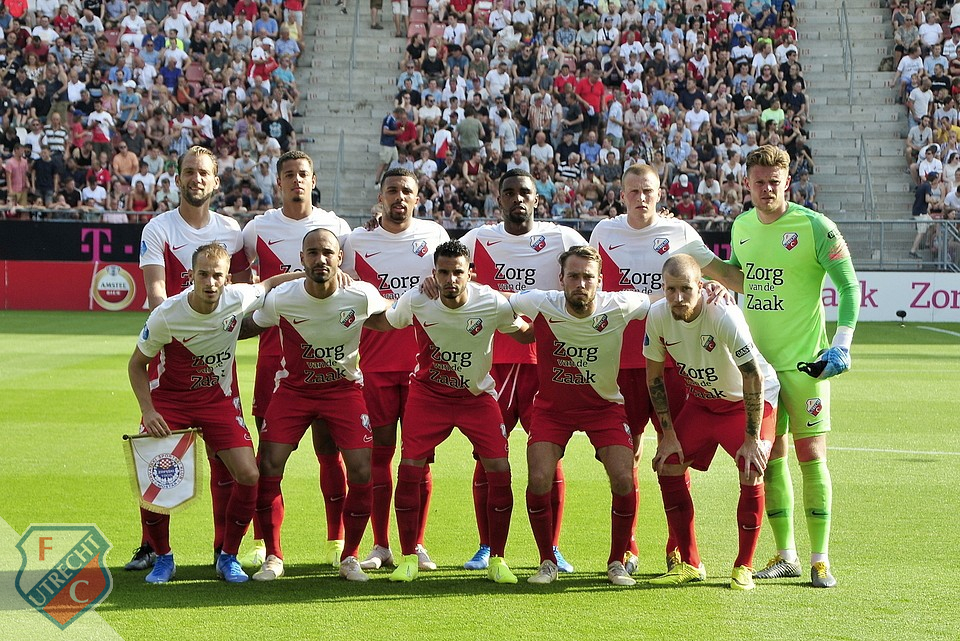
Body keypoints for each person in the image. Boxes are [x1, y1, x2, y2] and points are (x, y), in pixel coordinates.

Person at [588, 162, 740, 574]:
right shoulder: (603, 233)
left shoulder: (680, 233)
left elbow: (722, 274)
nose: (641, 198)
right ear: (622, 195)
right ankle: (629, 547)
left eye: (648, 191)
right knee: (627, 458)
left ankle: (680, 550)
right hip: (618, 363)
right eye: (633, 191)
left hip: (672, 363)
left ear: (660, 194)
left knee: (676, 453)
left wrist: (721, 286)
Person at [128, 243, 299, 584]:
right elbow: (136, 364)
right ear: (191, 276)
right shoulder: (167, 314)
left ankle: (228, 557)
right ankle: (163, 558)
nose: (210, 282)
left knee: (248, 475)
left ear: (227, 278)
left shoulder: (238, 297)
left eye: (217, 275)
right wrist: (148, 411)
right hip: (171, 401)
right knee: (154, 479)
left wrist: (311, 275)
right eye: (203, 275)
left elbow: (269, 284)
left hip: (217, 401)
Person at [364, 240, 532, 584]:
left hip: (476, 397)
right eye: (443, 272)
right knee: (409, 469)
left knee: (500, 470)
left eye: (457, 272)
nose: (450, 279)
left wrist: (558, 319)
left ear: (470, 273)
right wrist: (347, 312)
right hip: (428, 397)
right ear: (434, 273)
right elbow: (387, 322)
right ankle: (409, 558)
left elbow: (524, 335)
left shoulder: (491, 302)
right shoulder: (418, 299)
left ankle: (498, 559)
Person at [730, 145, 860, 588]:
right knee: (770, 458)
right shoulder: (741, 226)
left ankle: (821, 559)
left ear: (788, 181)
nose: (766, 189)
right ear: (747, 183)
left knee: (812, 456)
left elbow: (849, 287)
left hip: (806, 366)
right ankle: (786, 555)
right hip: (759, 372)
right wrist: (710, 280)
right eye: (759, 182)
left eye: (774, 182)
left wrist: (841, 344)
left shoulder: (815, 226)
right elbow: (739, 277)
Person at [125, 146, 251, 573]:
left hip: (218, 367)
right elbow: (156, 295)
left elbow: (245, 290)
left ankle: (223, 550)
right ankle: (153, 548)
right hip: (172, 355)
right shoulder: (159, 228)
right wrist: (189, 322)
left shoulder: (232, 231)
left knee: (226, 463)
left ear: (216, 181)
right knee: (158, 459)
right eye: (189, 171)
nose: (196, 178)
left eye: (204, 173)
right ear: (177, 178)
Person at [456, 169, 586, 572]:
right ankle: (487, 546)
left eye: (524, 192)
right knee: (487, 457)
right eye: (509, 192)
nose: (517, 199)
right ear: (499, 199)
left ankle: (553, 548)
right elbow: (439, 267)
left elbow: (595, 267)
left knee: (550, 456)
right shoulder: (477, 240)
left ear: (536, 198)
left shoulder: (562, 238)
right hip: (490, 365)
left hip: (544, 365)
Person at [242, 229, 389, 583]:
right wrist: (207, 321)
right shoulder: (283, 298)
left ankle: (350, 557)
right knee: (268, 465)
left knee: (362, 470)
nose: (320, 259)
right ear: (302, 258)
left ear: (340, 258)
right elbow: (249, 326)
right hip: (294, 391)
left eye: (327, 252)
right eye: (312, 252)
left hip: (343, 390)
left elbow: (393, 317)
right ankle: (273, 557)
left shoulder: (360, 295)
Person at [510, 245, 651, 587]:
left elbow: (662, 301)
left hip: (604, 408)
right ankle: (547, 562)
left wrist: (709, 289)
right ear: (560, 279)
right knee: (538, 478)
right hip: (552, 410)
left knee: (624, 478)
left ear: (600, 281)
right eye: (573, 276)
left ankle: (617, 562)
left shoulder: (619, 305)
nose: (581, 284)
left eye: (588, 277)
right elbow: (497, 301)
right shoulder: (542, 302)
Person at [239, 150, 352, 568]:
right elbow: (243, 285)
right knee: (269, 454)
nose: (297, 180)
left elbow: (349, 281)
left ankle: (337, 538)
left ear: (313, 180)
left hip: (326, 354)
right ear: (279, 182)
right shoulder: (257, 229)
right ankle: (263, 541)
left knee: (329, 449)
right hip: (274, 353)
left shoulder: (337, 227)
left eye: (303, 174)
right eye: (289, 174)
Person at [643, 254, 779, 590]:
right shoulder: (657, 316)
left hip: (746, 403)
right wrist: (668, 435)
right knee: (669, 463)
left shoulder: (723, 314)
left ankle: (744, 566)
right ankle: (691, 563)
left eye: (686, 289)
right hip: (702, 403)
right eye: (671, 289)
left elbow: (754, 376)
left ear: (701, 286)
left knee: (751, 467)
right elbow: (654, 378)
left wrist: (751, 440)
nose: (678, 297)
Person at [339, 168, 449, 571]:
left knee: (418, 459)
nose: (399, 197)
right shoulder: (356, 241)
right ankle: (381, 545)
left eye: (406, 191)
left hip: (424, 366)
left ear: (417, 198)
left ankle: (415, 545)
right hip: (374, 365)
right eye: (392, 190)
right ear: (380, 198)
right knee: (379, 457)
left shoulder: (434, 236)